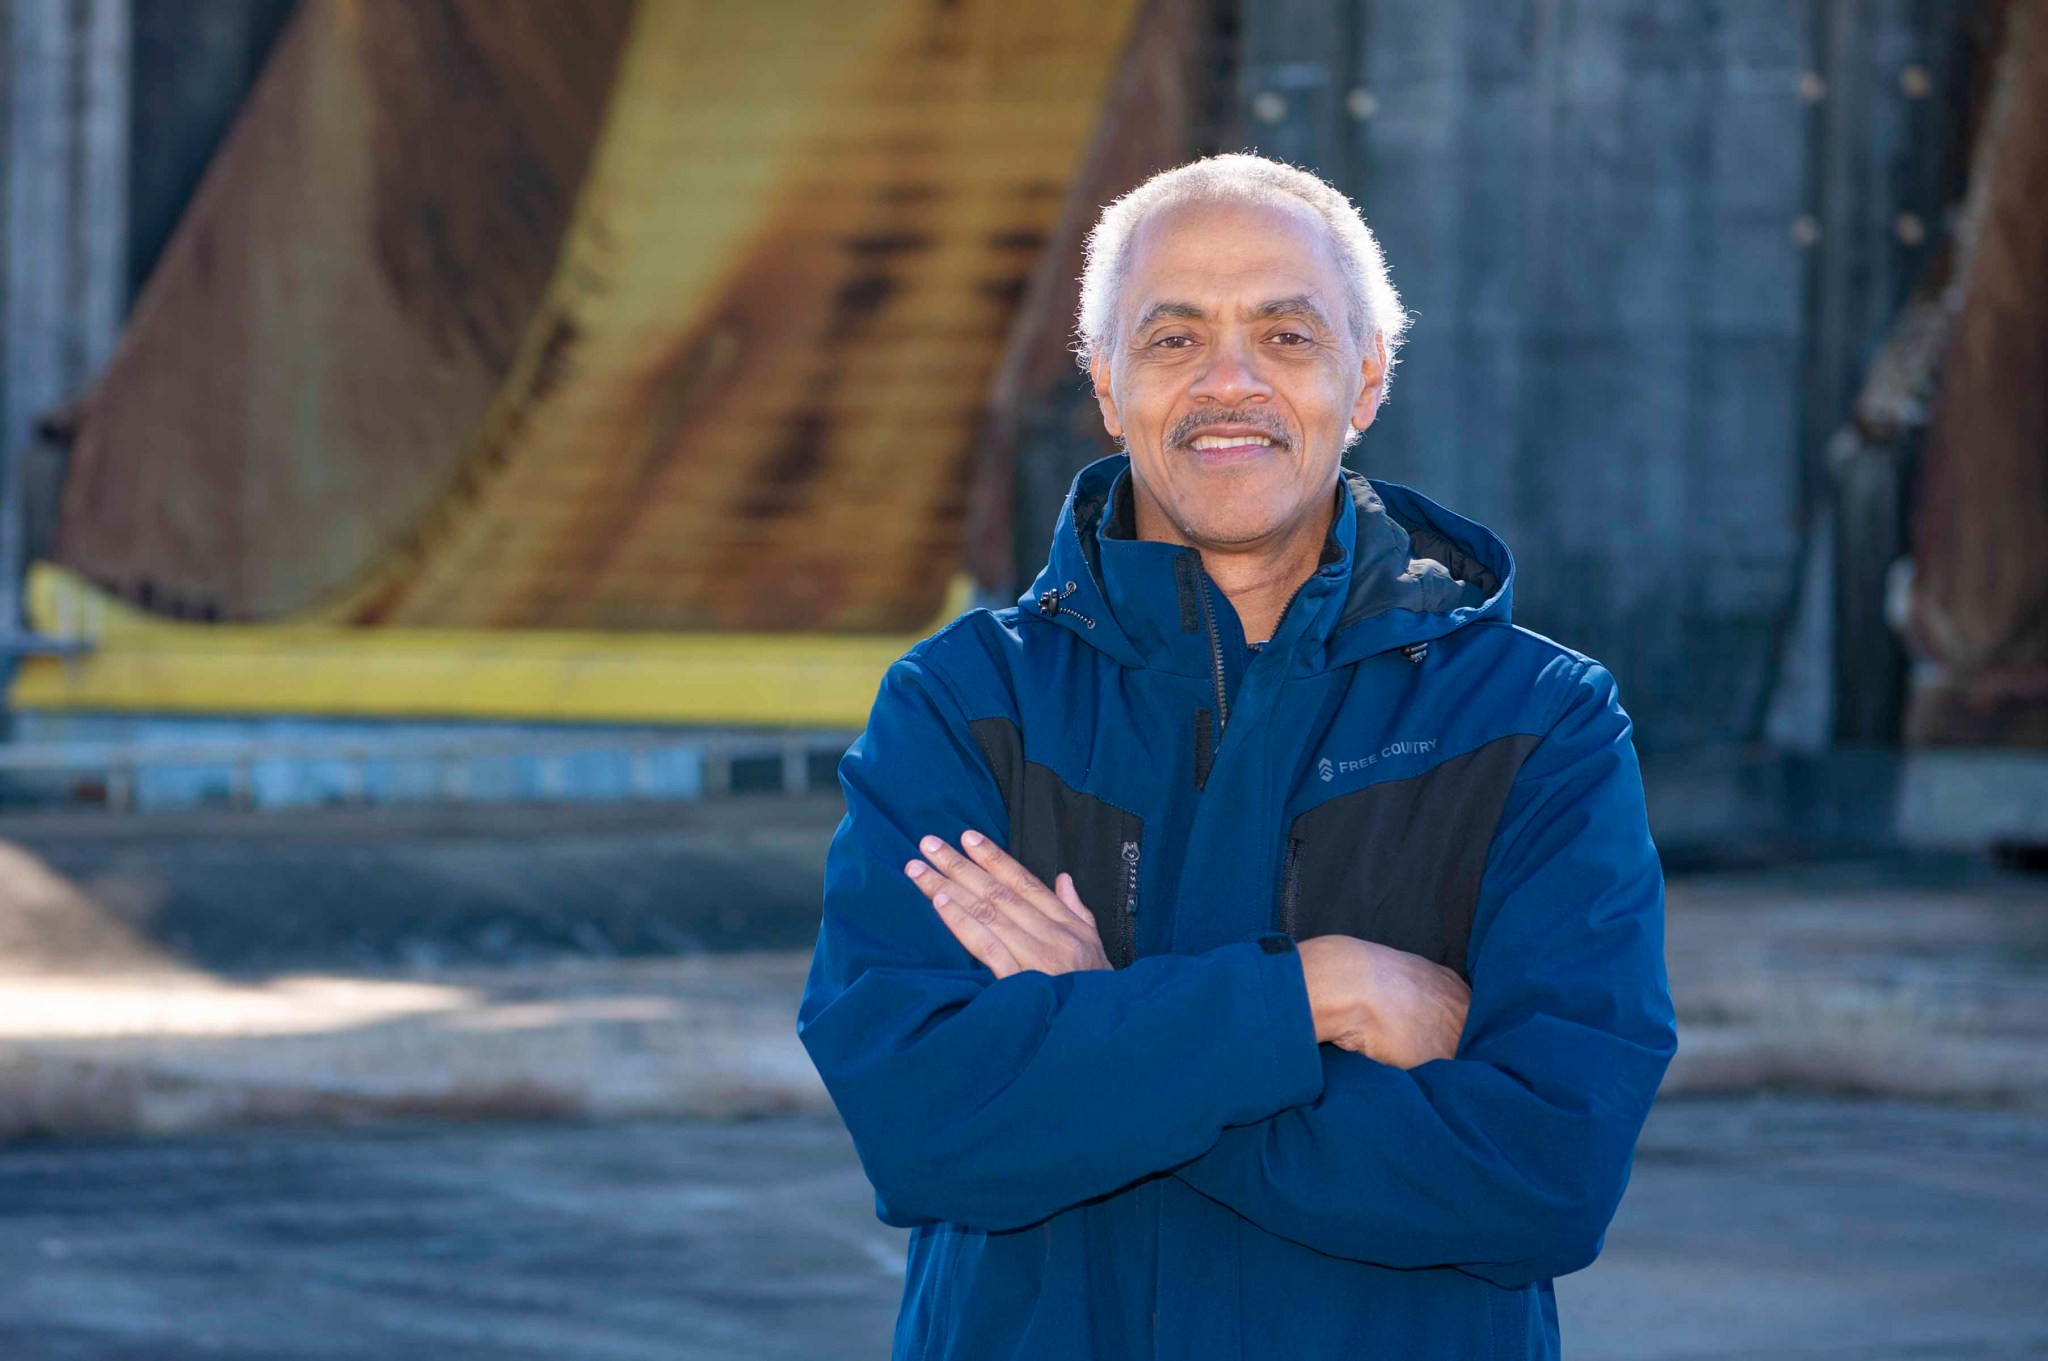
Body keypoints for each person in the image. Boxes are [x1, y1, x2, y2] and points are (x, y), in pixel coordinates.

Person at [797, 152, 1677, 1360]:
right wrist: (1308, 993)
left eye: (1284, 335)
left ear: (1364, 378)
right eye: (1171, 340)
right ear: (1104, 383)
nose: (1228, 383)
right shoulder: (963, 703)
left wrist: (1101, 1025)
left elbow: (1542, 1173)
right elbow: (922, 1120)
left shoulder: (1538, 721)